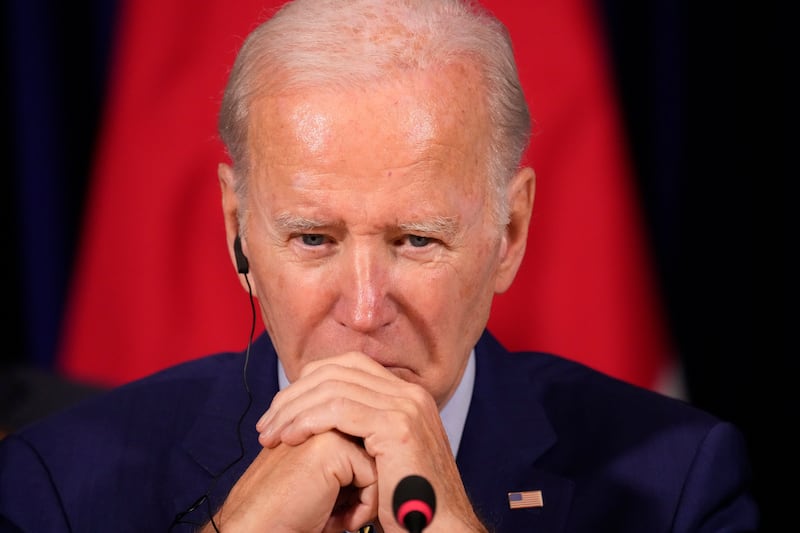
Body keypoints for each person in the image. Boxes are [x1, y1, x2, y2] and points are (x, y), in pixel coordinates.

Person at [0, 0, 759, 531]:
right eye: (314, 239)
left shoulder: (680, 484)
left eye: (416, 240)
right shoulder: (60, 481)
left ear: (511, 230)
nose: (363, 308)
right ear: (239, 230)